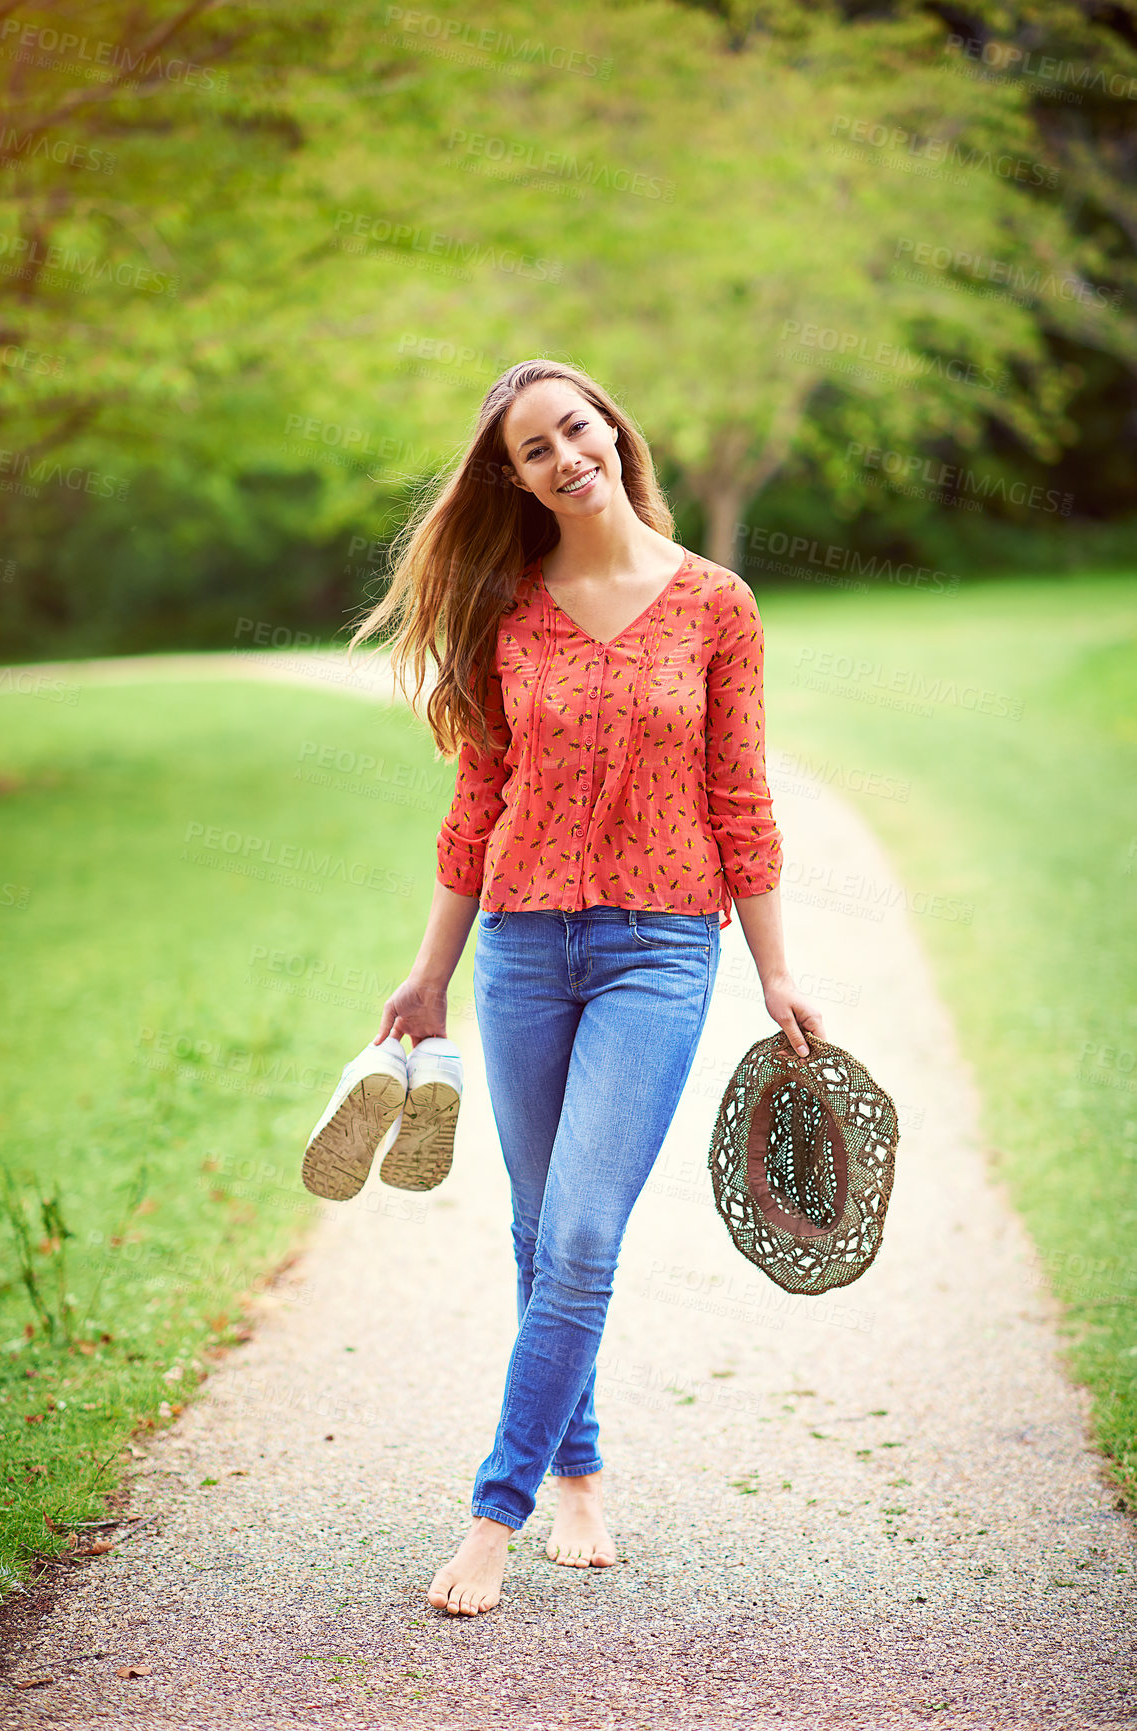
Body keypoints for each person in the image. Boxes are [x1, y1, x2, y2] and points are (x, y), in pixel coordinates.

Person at [352, 358, 824, 1617]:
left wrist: (775, 969)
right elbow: (478, 804)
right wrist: (427, 975)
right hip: (520, 951)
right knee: (536, 1227)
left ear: (615, 428)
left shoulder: (718, 605)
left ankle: (491, 1517)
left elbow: (742, 796)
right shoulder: (506, 609)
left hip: (661, 952)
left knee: (580, 1234)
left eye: (579, 429)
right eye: (536, 450)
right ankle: (580, 1472)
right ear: (514, 479)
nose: (569, 457)